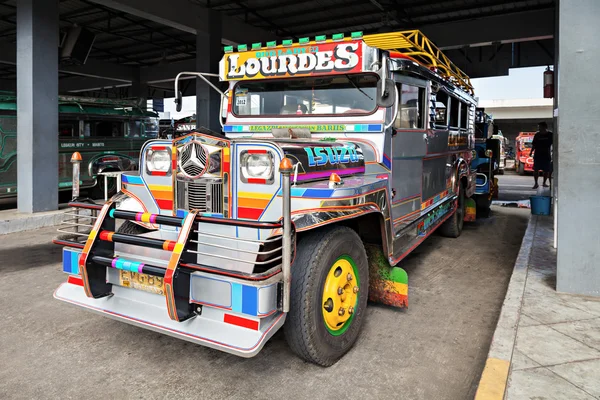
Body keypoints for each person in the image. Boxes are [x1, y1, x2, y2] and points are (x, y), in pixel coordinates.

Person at [530, 121, 553, 189]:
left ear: (545, 127)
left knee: (546, 170)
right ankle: (536, 183)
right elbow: (534, 144)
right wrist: (531, 152)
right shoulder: (537, 135)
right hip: (537, 154)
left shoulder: (550, 134)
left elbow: (554, 143)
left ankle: (544, 183)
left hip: (546, 154)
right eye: (538, 127)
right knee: (536, 169)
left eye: (540, 127)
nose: (539, 128)